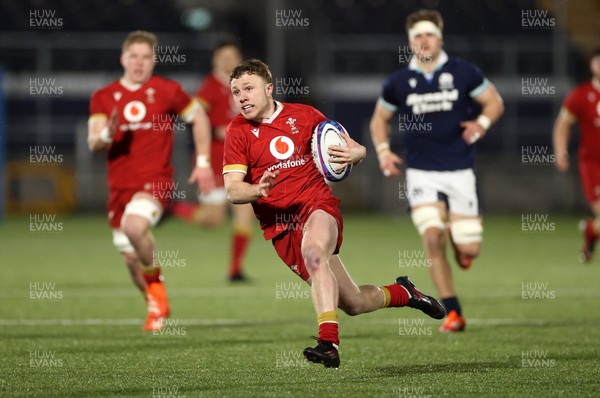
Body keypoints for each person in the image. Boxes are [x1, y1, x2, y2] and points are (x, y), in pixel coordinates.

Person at [223, 59, 445, 368]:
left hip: (316, 206)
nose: (242, 97)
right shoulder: (237, 131)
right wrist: (257, 190)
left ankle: (328, 343)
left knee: (315, 254)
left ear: (269, 89)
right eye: (236, 92)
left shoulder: (304, 115)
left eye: (248, 89)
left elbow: (346, 149)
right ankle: (405, 292)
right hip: (279, 227)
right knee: (353, 302)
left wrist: (360, 153)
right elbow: (233, 190)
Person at [369, 9, 504, 333]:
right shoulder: (399, 81)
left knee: (470, 248)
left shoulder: (463, 72)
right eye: (417, 36)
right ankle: (453, 312)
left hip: (460, 169)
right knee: (432, 237)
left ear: (440, 38)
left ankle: (460, 242)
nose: (424, 41)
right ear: (410, 42)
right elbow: (379, 120)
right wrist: (384, 152)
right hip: (421, 172)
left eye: (429, 34)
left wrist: (481, 124)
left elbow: (494, 102)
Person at [87, 31, 214, 331]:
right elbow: (94, 141)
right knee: (131, 260)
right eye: (134, 56)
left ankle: (157, 292)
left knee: (134, 227)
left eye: (145, 57)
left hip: (156, 183)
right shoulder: (103, 97)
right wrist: (107, 133)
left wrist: (204, 162)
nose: (139, 63)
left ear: (154, 60)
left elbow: (199, 117)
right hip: (119, 189)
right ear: (123, 58)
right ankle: (156, 303)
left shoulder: (167, 90)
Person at [170, 41, 255, 281]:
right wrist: (217, 129)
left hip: (243, 161)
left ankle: (235, 270)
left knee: (245, 214)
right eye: (224, 56)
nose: (229, 61)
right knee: (213, 220)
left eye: (233, 56)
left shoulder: (246, 85)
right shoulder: (210, 86)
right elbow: (194, 116)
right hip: (216, 160)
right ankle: (173, 208)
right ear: (215, 60)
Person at [553, 47, 600, 263]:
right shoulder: (581, 95)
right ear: (592, 65)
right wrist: (560, 150)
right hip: (593, 164)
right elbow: (563, 125)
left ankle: (591, 230)